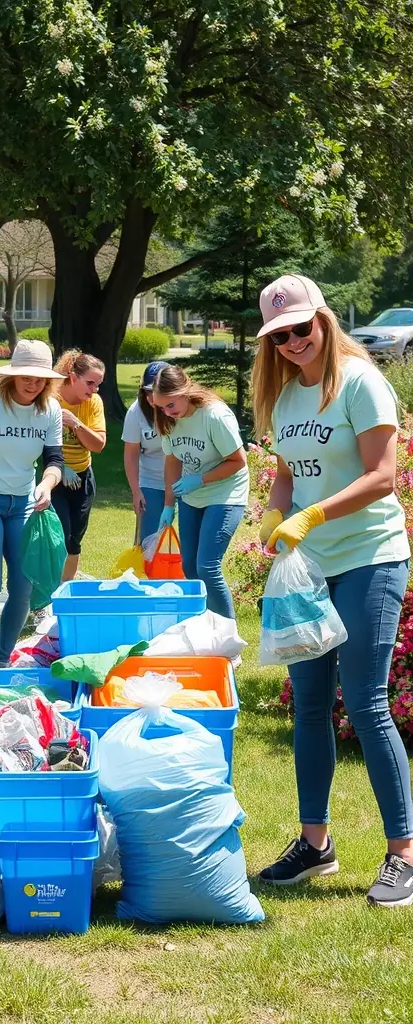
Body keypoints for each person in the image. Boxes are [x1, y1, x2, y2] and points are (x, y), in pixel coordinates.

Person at [251, 273, 413, 906]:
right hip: (311, 568)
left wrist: (315, 516)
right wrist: (276, 516)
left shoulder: (362, 382)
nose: (292, 342)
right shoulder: (287, 397)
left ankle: (403, 852)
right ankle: (315, 845)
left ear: (322, 319)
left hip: (371, 558)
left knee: (366, 701)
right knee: (310, 702)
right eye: (279, 334)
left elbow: (383, 477)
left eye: (300, 328)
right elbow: (289, 475)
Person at [0, 339, 64, 668]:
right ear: (12, 376)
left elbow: (54, 460)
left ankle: (2, 662)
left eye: (40, 378)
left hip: (23, 503)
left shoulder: (50, 410)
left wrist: (47, 484)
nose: (33, 384)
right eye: (26, 377)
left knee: (24, 585)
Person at [154, 364, 249, 617]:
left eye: (170, 405)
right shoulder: (167, 419)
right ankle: (209, 627)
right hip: (192, 496)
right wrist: (167, 504)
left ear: (185, 391)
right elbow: (172, 461)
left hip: (225, 493)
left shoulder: (214, 416)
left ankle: (228, 638)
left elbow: (238, 461)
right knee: (190, 567)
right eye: (160, 406)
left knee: (207, 566)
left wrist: (201, 479)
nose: (166, 412)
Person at [51, 349, 106, 581]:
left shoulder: (93, 403)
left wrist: (76, 424)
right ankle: (47, 591)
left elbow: (98, 444)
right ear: (73, 377)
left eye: (98, 385)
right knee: (58, 535)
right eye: (90, 383)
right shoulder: (52, 399)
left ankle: (66, 589)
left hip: (82, 477)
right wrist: (59, 467)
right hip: (52, 476)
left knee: (74, 538)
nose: (94, 390)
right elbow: (36, 442)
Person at [122, 361, 169, 542]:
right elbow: (131, 453)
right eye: (147, 392)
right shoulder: (136, 412)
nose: (151, 397)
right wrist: (136, 491)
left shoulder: (180, 408)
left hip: (184, 479)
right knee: (149, 539)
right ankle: (147, 570)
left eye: (156, 391)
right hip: (152, 480)